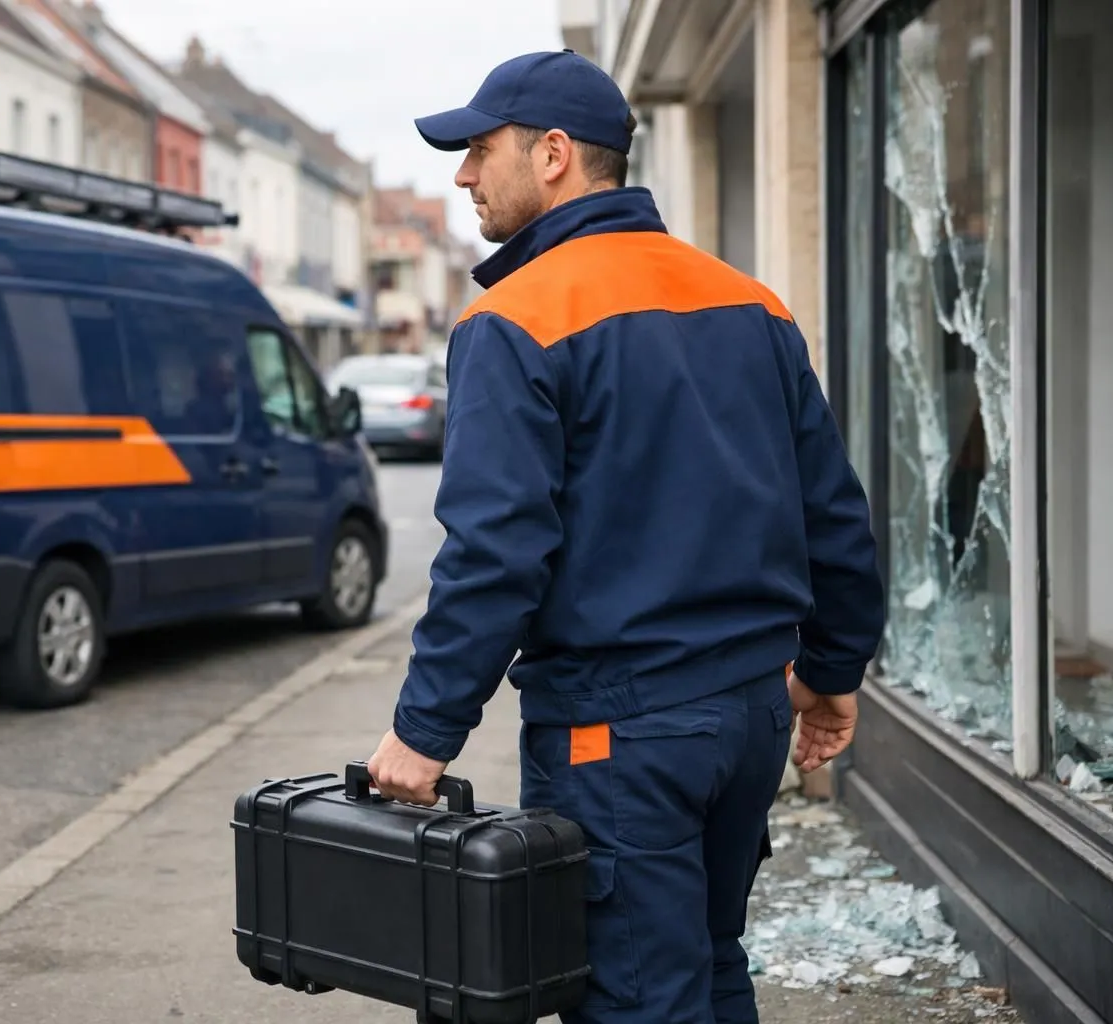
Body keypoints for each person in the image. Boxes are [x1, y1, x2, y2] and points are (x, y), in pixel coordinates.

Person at [364, 50, 885, 1024]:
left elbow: (493, 552)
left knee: (638, 996)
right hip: (748, 721)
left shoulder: (514, 320)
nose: (463, 176)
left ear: (553, 154)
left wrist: (423, 731)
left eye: (479, 150)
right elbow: (834, 511)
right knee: (709, 961)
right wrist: (833, 667)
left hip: (622, 733)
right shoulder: (751, 304)